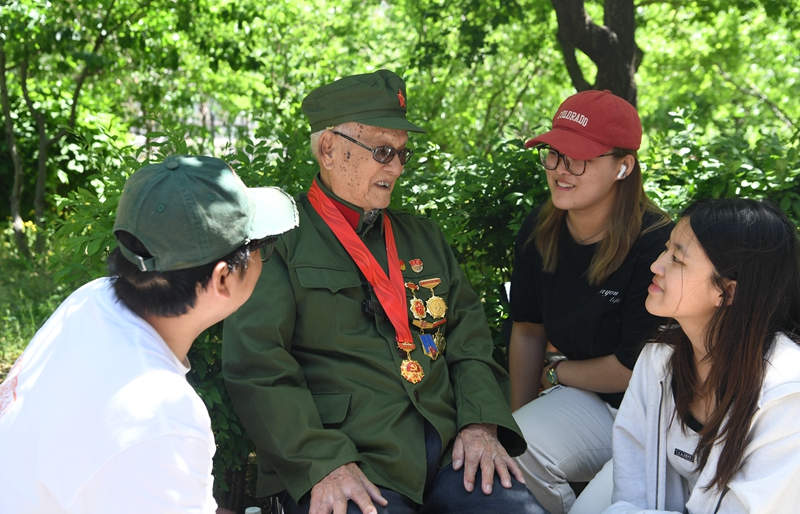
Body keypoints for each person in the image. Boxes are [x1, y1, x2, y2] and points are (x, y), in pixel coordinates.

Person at [222, 70, 546, 514]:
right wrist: (323, 463)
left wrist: (479, 425)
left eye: (401, 153)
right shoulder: (279, 242)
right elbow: (257, 367)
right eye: (381, 151)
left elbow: (470, 342)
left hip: (451, 453)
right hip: (349, 462)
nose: (395, 167)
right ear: (330, 149)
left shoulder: (425, 238)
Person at [0, 155, 299, 514]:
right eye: (258, 249)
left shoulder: (90, 302)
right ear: (222, 278)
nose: (261, 259)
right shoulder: (161, 417)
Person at [508, 89, 673, 514]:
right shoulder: (538, 229)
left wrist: (558, 372)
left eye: (579, 158)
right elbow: (527, 330)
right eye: (554, 154)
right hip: (586, 399)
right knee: (514, 448)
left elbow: (630, 371)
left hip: (655, 414)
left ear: (624, 166)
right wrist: (517, 420)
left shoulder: (655, 243)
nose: (562, 170)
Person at [605, 198, 800, 513]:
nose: (656, 265)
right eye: (666, 249)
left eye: (677, 259)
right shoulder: (660, 358)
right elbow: (632, 477)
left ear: (727, 292)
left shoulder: (787, 393)